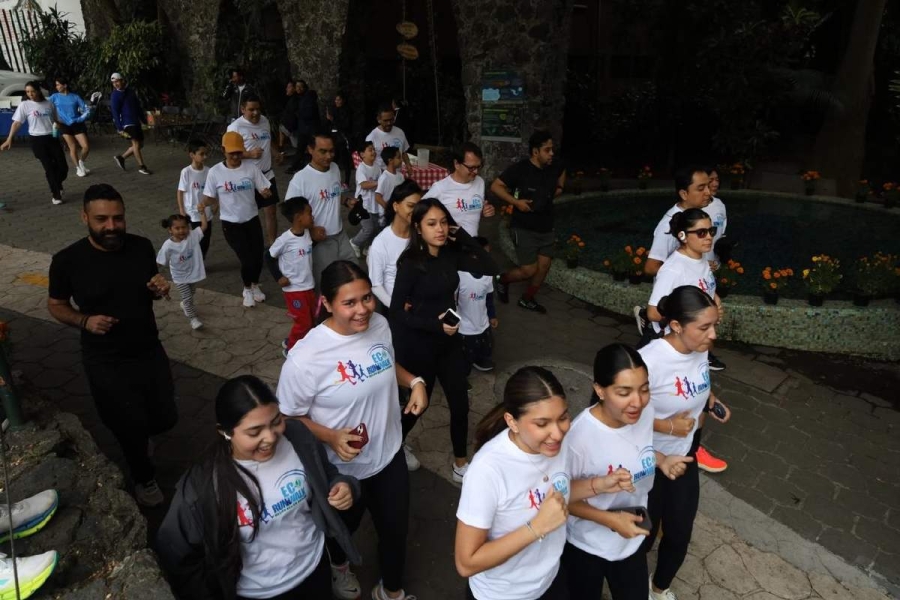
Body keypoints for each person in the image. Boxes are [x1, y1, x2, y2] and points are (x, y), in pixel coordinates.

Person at [276, 261, 428, 600]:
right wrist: (331, 437)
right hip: (342, 473)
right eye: (350, 303)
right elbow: (287, 418)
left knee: (394, 529)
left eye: (367, 298)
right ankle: (339, 567)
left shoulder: (380, 325)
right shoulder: (306, 358)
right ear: (326, 304)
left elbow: (386, 365)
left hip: (388, 455)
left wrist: (415, 381)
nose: (363, 310)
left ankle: (391, 591)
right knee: (341, 531)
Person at [156, 375, 361, 600]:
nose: (270, 438)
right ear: (225, 431)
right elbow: (176, 552)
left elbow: (328, 473)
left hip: (313, 568)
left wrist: (343, 485)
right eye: (254, 432)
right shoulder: (201, 486)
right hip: (256, 592)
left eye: (276, 422)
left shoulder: (298, 437)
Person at [47, 183, 177, 507]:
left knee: (165, 418)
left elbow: (148, 286)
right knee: (127, 425)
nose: (111, 227)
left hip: (148, 348)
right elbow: (55, 304)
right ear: (85, 217)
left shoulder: (141, 247)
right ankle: (143, 478)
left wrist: (158, 288)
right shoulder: (67, 261)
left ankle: (141, 441)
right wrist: (83, 321)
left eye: (118, 219)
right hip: (104, 359)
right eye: (102, 219)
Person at [563, 343, 693, 600]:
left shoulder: (644, 413)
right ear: (600, 390)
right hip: (586, 546)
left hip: (631, 540)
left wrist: (663, 460)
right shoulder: (579, 439)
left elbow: (637, 451)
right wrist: (610, 520)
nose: (637, 402)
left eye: (644, 389)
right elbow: (561, 499)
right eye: (624, 392)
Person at [455, 366, 592, 600]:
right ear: (512, 421)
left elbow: (555, 493)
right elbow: (466, 563)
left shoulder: (555, 444)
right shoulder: (487, 470)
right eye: (542, 424)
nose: (557, 433)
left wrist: (599, 485)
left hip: (550, 579)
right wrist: (536, 527)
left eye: (563, 418)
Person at [390, 198, 499, 480]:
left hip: (449, 343)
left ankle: (460, 464)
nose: (439, 229)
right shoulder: (411, 263)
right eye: (431, 223)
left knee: (460, 403)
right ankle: (392, 445)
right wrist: (432, 324)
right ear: (418, 227)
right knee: (418, 406)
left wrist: (461, 234)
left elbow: (489, 265)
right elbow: (395, 313)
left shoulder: (451, 253)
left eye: (442, 222)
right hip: (420, 344)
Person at [638, 286, 732, 600]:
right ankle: (633, 588)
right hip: (647, 460)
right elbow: (617, 416)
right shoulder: (647, 362)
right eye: (704, 327)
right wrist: (667, 425)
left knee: (679, 533)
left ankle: (658, 589)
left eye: (714, 325)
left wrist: (710, 401)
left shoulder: (699, 348)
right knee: (643, 538)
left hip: (685, 456)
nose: (713, 335)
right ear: (676, 326)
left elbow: (698, 380)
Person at [644, 209, 728, 474]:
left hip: (695, 343)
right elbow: (653, 310)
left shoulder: (701, 260)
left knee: (698, 389)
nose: (709, 238)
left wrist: (713, 303)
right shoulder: (673, 269)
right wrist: (685, 320)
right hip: (681, 343)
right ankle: (664, 451)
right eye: (701, 233)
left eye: (711, 231)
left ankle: (692, 446)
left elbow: (705, 289)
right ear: (682, 236)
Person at [491, 130, 566, 314]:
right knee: (529, 270)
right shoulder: (520, 169)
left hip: (546, 225)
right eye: (547, 150)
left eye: (552, 149)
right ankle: (503, 279)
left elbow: (562, 169)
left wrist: (559, 188)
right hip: (523, 226)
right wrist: (516, 202)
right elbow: (495, 186)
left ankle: (527, 298)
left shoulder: (554, 165)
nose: (551, 154)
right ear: (535, 152)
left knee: (544, 266)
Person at [202, 131, 273, 308]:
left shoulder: (251, 168)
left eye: (238, 152)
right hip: (231, 224)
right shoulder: (215, 172)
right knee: (246, 258)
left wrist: (265, 192)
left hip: (252, 220)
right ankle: (247, 288)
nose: (235, 156)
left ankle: (255, 285)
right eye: (231, 152)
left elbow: (265, 188)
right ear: (223, 150)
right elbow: (209, 196)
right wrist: (204, 203)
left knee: (257, 257)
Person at [285, 129, 356, 287]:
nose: (329, 156)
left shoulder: (335, 169)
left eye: (331, 151)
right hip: (320, 241)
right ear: (310, 149)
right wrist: (311, 230)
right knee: (328, 285)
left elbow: (332, 194)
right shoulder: (300, 179)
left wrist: (345, 201)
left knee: (353, 275)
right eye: (323, 151)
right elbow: (289, 212)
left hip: (341, 235)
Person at [227, 95, 283, 246]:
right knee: (249, 215)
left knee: (271, 212)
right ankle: (251, 245)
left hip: (266, 175)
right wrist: (248, 154)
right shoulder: (235, 128)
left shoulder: (264, 121)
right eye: (251, 110)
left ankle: (273, 246)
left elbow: (267, 139)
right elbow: (228, 153)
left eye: (258, 109)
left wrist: (276, 153)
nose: (256, 113)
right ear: (243, 109)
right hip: (246, 177)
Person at [0, 80, 68, 204]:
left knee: (63, 168)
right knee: (49, 168)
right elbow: (16, 123)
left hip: (51, 138)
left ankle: (57, 184)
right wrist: (9, 139)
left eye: (33, 91)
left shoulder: (49, 104)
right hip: (37, 140)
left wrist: (59, 126)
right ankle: (56, 194)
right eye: (28, 92)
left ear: (38, 91)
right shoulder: (25, 105)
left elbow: (56, 120)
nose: (30, 94)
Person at [265, 196, 316, 357]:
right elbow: (268, 257)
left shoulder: (307, 234)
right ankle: (291, 350)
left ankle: (291, 340)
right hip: (294, 289)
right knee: (303, 322)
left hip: (309, 286)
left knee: (311, 320)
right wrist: (279, 277)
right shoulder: (285, 240)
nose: (312, 216)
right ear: (298, 218)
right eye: (309, 213)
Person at [367, 180, 421, 308]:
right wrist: (396, 306)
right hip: (395, 306)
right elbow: (376, 285)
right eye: (410, 206)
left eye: (418, 207)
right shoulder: (380, 243)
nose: (416, 211)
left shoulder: (420, 235)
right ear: (396, 206)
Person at [424, 142, 495, 236]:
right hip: (450, 245)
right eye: (471, 168)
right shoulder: (440, 188)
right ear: (456, 164)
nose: (476, 171)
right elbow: (419, 212)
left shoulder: (480, 182)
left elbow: (469, 213)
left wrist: (485, 211)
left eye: (478, 167)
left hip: (473, 243)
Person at [157, 211, 209, 331]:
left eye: (184, 227)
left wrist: (202, 213)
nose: (181, 231)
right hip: (179, 276)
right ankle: (193, 319)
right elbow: (160, 261)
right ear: (170, 230)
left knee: (191, 292)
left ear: (188, 227)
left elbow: (204, 226)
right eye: (177, 228)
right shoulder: (168, 246)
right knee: (188, 297)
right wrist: (152, 273)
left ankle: (185, 304)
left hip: (193, 274)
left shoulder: (193, 236)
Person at [457, 236, 498, 374]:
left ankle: (479, 360)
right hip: (465, 327)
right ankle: (462, 376)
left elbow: (489, 297)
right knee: (463, 354)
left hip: (482, 322)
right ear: (473, 256)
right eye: (485, 254)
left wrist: (492, 316)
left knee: (486, 346)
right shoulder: (459, 276)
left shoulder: (488, 275)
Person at [177, 139, 214, 258]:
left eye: (206, 153)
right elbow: (180, 192)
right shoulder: (186, 172)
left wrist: (215, 205)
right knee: (195, 238)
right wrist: (182, 209)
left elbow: (213, 191)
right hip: (192, 213)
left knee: (206, 239)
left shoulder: (209, 171)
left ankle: (201, 260)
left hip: (206, 212)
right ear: (192, 155)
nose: (205, 156)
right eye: (201, 154)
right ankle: (194, 260)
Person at [49, 77, 91, 177]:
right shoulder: (54, 97)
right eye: (56, 85)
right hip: (63, 125)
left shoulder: (75, 97)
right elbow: (47, 108)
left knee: (86, 147)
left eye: (58, 84)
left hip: (77, 124)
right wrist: (55, 121)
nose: (57, 87)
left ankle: (81, 162)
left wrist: (80, 119)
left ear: (65, 85)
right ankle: (78, 168)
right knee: (73, 147)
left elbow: (86, 109)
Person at [110, 73, 151, 175]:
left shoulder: (131, 92)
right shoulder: (115, 95)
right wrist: (119, 127)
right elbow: (115, 112)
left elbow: (138, 107)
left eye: (117, 81)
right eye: (113, 83)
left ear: (122, 80)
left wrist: (144, 120)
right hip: (127, 123)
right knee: (136, 144)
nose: (116, 84)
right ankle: (142, 167)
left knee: (140, 145)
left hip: (136, 121)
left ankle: (121, 158)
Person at [349, 140, 382, 256]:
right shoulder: (361, 168)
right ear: (362, 154)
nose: (373, 152)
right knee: (368, 228)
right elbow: (364, 184)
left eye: (374, 149)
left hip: (374, 204)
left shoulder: (377, 167)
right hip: (363, 204)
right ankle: (354, 243)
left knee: (375, 227)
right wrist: (379, 183)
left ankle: (368, 248)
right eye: (370, 150)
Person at [285, 80, 321, 174]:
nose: (298, 89)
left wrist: (299, 114)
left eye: (300, 86)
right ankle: (296, 165)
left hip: (310, 129)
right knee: (300, 149)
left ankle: (313, 165)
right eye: (297, 87)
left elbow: (309, 113)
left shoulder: (308, 98)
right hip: (303, 128)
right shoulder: (298, 98)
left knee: (310, 148)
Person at [365, 103, 412, 171]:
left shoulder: (400, 132)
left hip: (397, 175)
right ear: (379, 119)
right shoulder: (372, 137)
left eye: (391, 119)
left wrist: (408, 165)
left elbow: (404, 152)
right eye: (385, 120)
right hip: (380, 176)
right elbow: (367, 160)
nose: (389, 123)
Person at [326, 91, 352, 185]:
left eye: (339, 100)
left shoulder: (346, 111)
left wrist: (333, 120)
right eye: (336, 100)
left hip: (343, 139)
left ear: (343, 100)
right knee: (333, 160)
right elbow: (330, 125)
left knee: (345, 161)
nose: (337, 101)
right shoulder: (334, 110)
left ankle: (347, 182)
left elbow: (345, 125)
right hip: (334, 139)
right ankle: (332, 180)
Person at [278, 80, 299, 149]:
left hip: (293, 129)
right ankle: (281, 146)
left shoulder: (295, 101)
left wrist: (290, 128)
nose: (286, 89)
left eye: (288, 87)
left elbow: (294, 116)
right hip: (290, 127)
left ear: (295, 88)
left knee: (299, 147)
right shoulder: (292, 100)